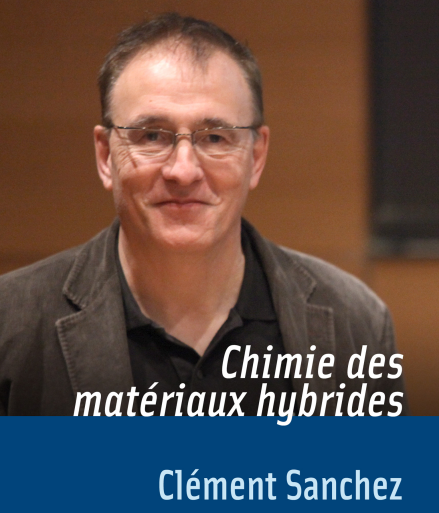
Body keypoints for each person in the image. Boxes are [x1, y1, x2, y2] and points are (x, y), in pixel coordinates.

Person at [0, 13, 407, 416]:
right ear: (106, 156)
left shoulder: (358, 322)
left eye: (214, 138)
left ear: (256, 156)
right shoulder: (10, 324)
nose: (183, 171)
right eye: (152, 136)